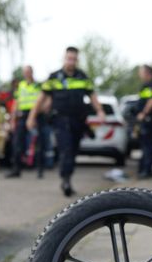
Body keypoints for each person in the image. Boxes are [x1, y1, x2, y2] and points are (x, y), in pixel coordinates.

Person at [28, 46, 106, 196]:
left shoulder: (82, 77)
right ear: (64, 58)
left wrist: (100, 111)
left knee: (73, 150)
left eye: (74, 59)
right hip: (60, 121)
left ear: (77, 60)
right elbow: (41, 99)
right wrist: (32, 116)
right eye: (68, 58)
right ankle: (65, 179)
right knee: (66, 149)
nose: (71, 61)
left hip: (78, 121)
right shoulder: (54, 77)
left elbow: (93, 96)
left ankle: (67, 176)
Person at [7, 66, 42, 178]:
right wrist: (12, 120)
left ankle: (39, 170)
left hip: (35, 116)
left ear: (32, 72)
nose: (26, 74)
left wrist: (37, 115)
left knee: (38, 143)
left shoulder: (38, 86)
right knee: (17, 143)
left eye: (28, 72)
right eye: (24, 72)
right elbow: (16, 103)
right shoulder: (21, 86)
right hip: (22, 116)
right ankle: (16, 169)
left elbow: (42, 101)